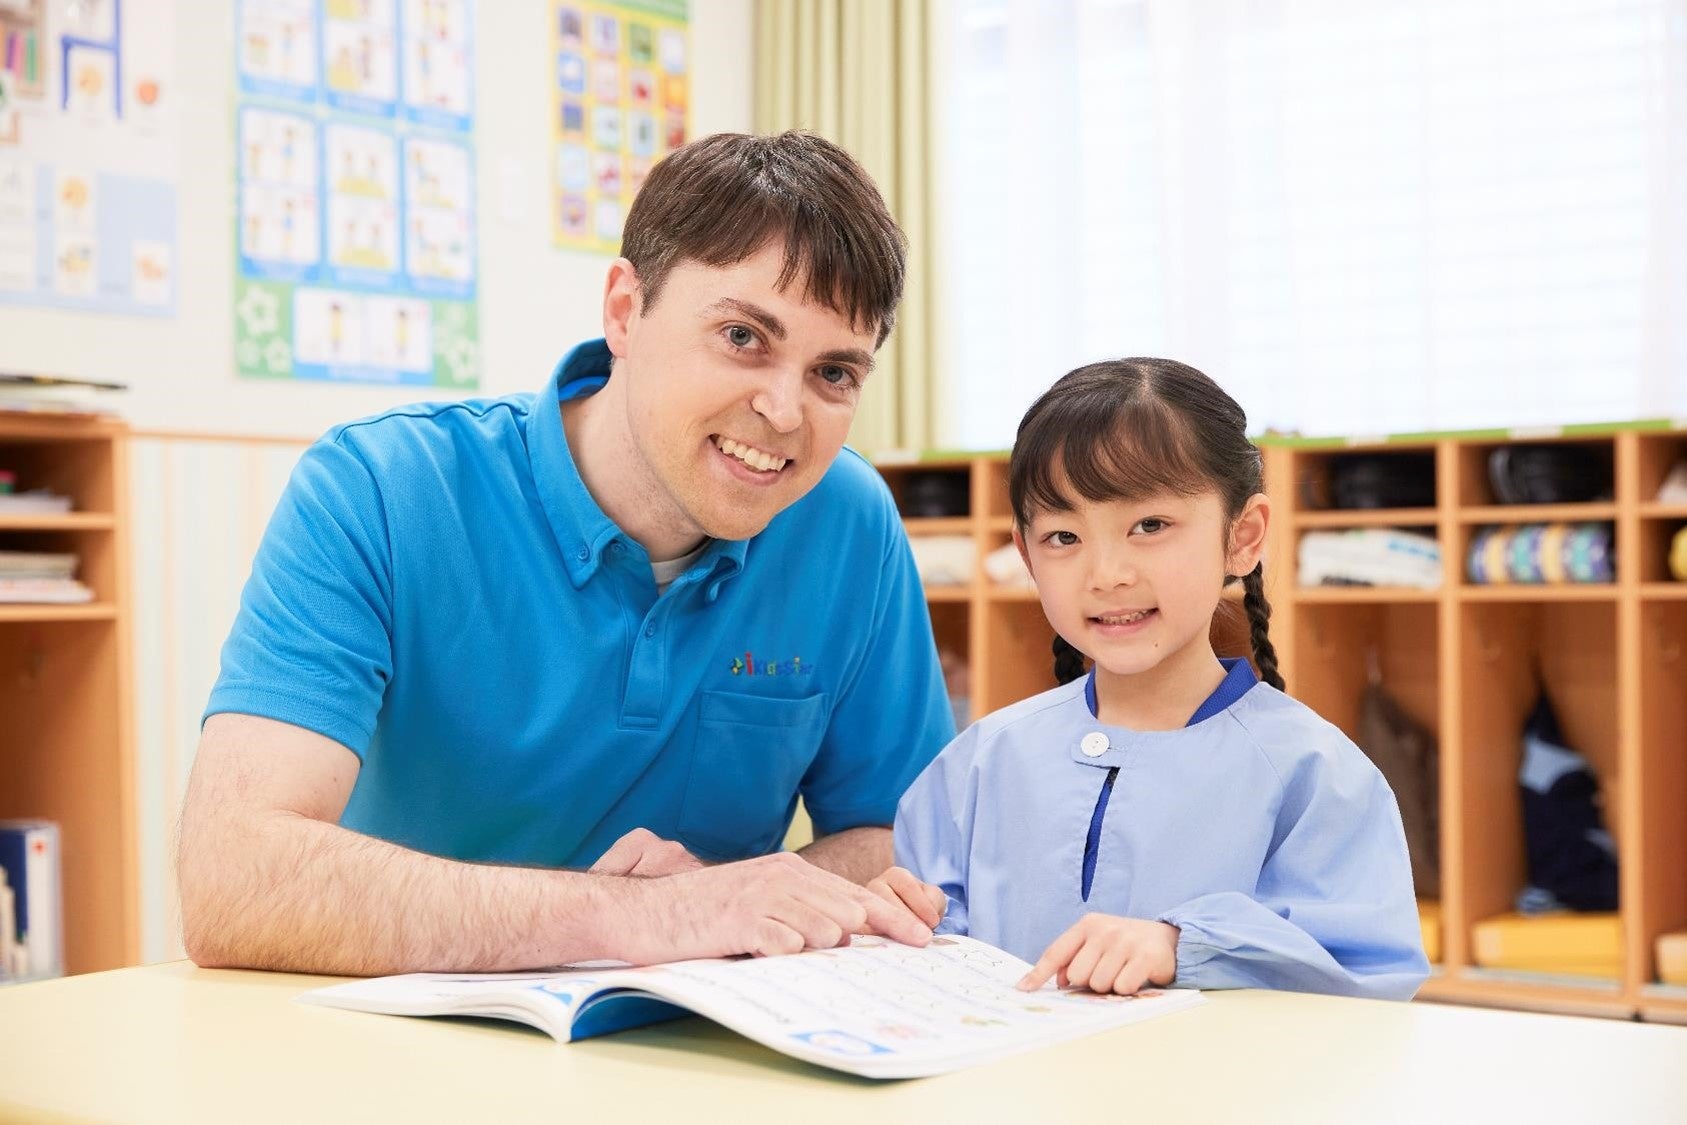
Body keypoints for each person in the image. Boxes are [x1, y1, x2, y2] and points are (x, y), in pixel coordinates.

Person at [178, 132, 956, 976]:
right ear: (624, 310)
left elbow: (897, 840)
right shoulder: (381, 487)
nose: (783, 410)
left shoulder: (848, 519)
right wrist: (647, 915)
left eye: (834, 373)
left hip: (690, 1054)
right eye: (741, 337)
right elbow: (235, 878)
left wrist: (737, 900)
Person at [870, 359, 1429, 1001]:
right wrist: (899, 927)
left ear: (1242, 538)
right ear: (1025, 556)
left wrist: (1182, 944)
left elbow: (1367, 977)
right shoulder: (980, 761)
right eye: (1062, 536)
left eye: (1150, 526)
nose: (1106, 573)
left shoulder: (1314, 771)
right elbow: (941, 955)